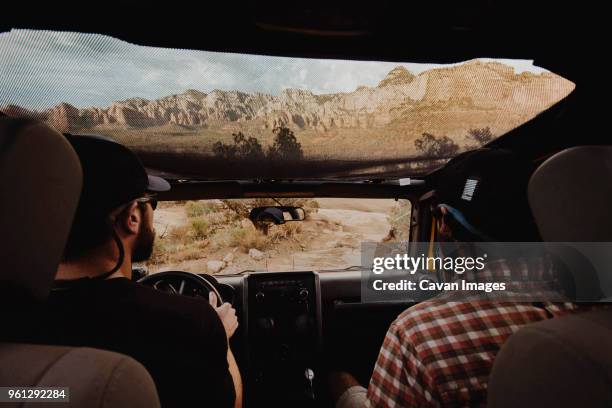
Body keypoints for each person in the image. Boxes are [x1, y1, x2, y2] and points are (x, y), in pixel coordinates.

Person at [329, 148, 583, 407]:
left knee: (338, 379)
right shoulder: (589, 306)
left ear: (443, 222)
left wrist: (344, 386)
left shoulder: (418, 334)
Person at [39, 134, 241, 408]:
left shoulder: (15, 313)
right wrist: (221, 338)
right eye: (151, 202)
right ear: (132, 216)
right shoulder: (188, 324)